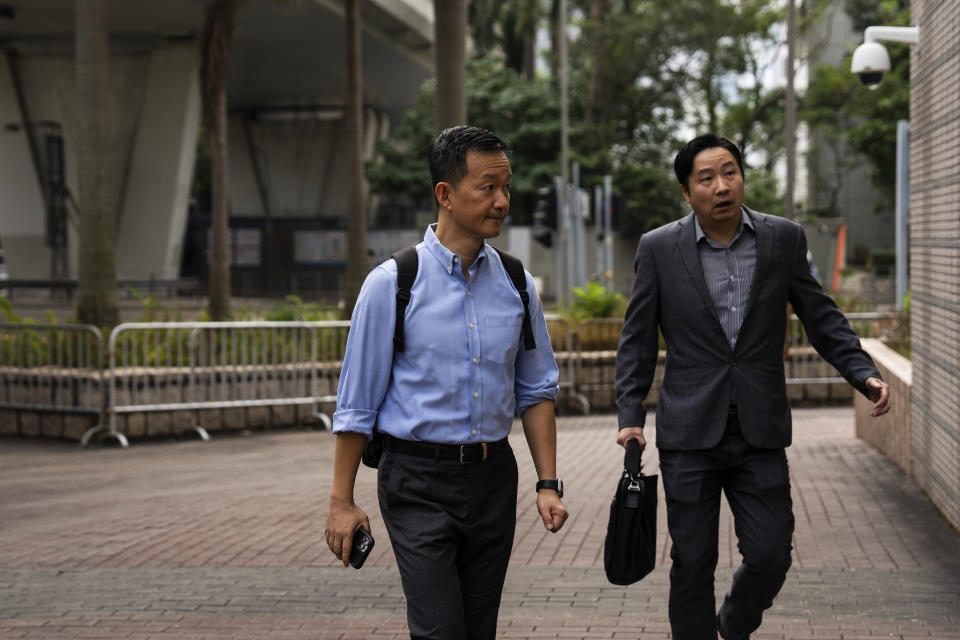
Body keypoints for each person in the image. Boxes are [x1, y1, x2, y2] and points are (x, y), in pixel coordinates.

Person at [615, 134, 890, 640]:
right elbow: (636, 338)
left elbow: (820, 314)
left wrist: (862, 371)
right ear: (686, 192)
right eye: (707, 178)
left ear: (742, 176)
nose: (722, 186)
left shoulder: (782, 238)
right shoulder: (658, 247)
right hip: (689, 432)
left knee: (770, 554)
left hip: (759, 430)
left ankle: (733, 624)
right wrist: (629, 414)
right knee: (692, 561)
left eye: (730, 172)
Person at [325, 125, 569, 640]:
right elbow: (356, 404)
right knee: (440, 630)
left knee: (478, 630)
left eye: (507, 187)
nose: (502, 201)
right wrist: (341, 502)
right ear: (446, 194)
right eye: (487, 187)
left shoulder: (518, 283)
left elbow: (536, 388)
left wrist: (547, 484)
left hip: (493, 477)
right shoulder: (392, 284)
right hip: (416, 480)